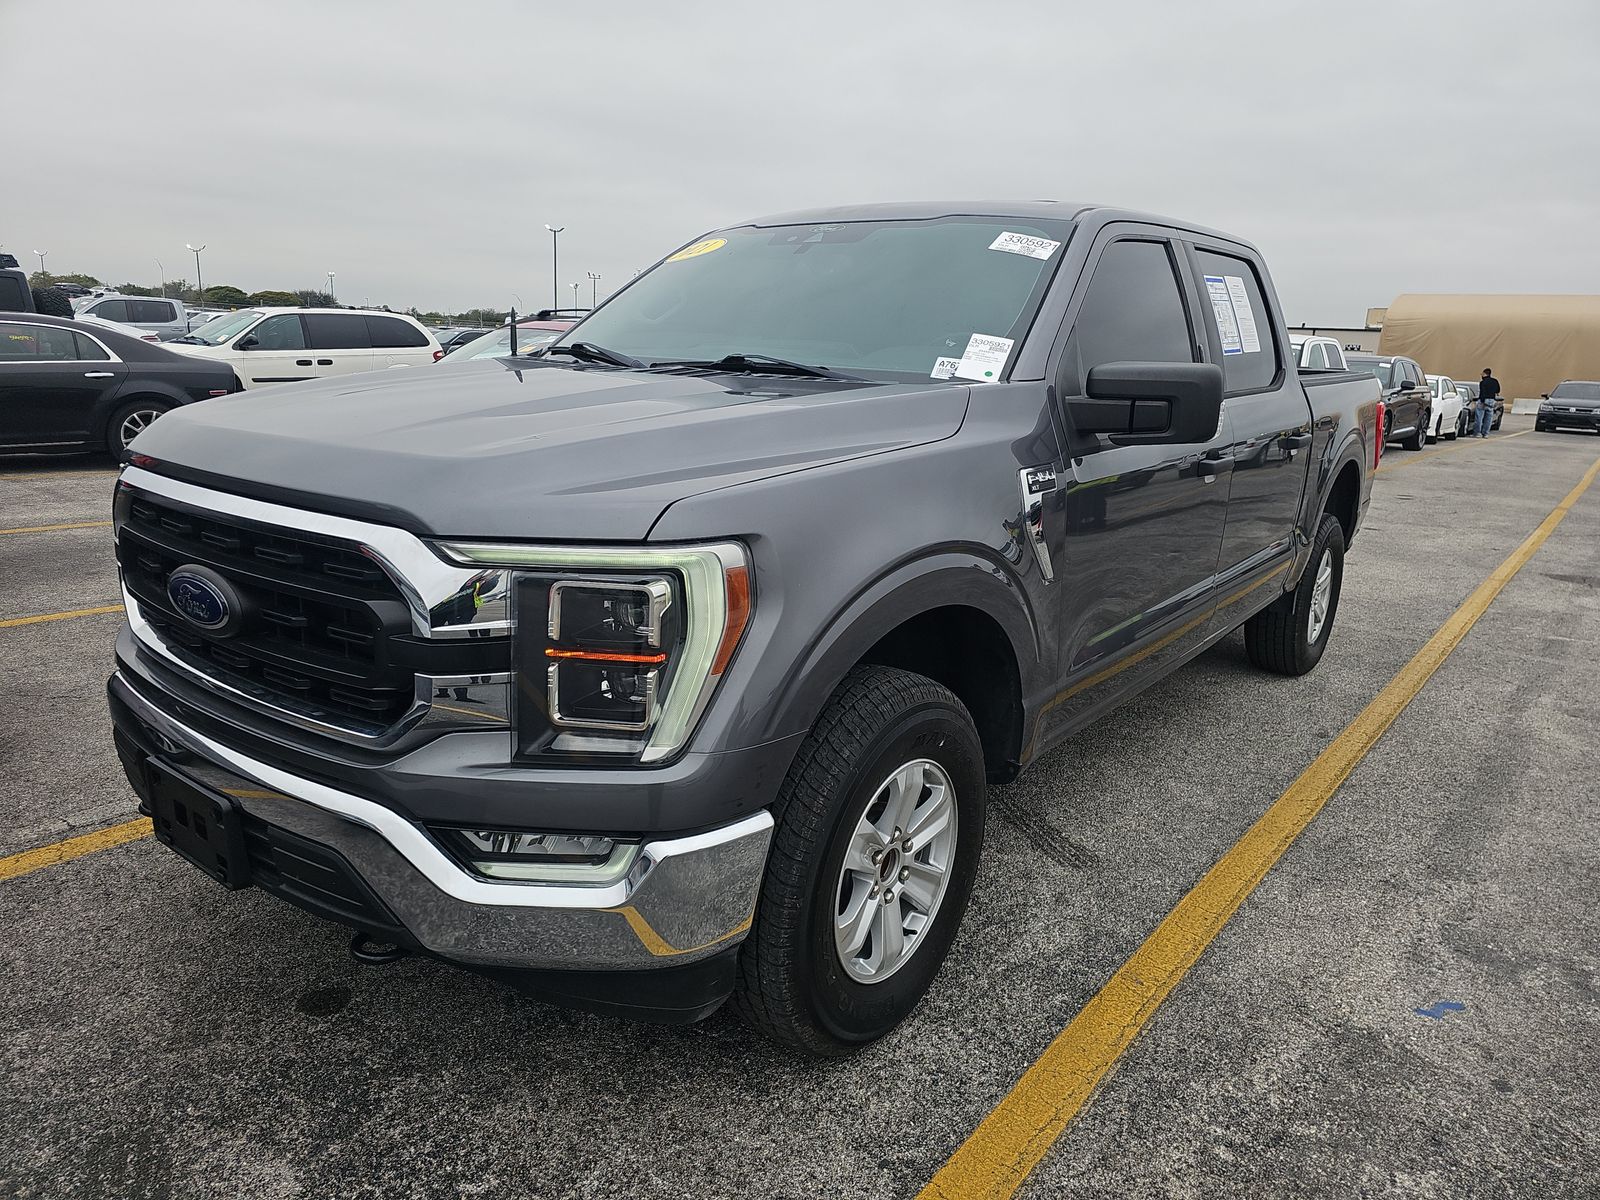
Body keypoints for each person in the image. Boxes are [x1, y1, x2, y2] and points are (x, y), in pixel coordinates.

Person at [1476, 368, 1500, 437]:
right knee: (1488, 419)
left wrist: (1482, 400)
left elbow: (1482, 392)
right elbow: (1498, 390)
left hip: (1483, 401)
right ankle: (1486, 433)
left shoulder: (1482, 382)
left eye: (1482, 374)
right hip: (1491, 401)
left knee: (1479, 418)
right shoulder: (1495, 381)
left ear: (1484, 374)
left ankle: (1478, 433)